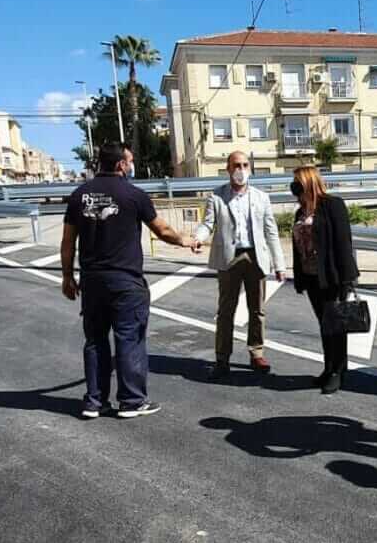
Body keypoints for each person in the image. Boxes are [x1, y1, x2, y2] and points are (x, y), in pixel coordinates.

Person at [61, 142, 194, 418]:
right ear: (121, 164)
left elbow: (67, 242)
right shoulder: (134, 195)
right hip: (126, 281)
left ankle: (94, 402)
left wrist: (67, 276)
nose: (131, 165)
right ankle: (131, 401)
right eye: (130, 161)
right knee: (129, 339)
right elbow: (162, 230)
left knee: (95, 340)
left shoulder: (79, 195)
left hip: (92, 282)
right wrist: (185, 240)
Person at [193, 151, 286, 380]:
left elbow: (271, 232)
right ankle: (222, 358)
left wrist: (279, 264)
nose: (241, 170)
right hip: (229, 258)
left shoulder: (261, 197)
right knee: (226, 311)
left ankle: (257, 353)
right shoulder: (217, 196)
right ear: (228, 169)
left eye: (245, 165)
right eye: (236, 165)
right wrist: (198, 238)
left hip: (256, 257)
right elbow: (208, 224)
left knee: (258, 310)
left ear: (250, 169)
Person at [290, 165, 360, 395]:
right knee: (324, 324)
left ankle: (338, 371)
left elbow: (343, 243)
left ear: (309, 182)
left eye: (298, 182)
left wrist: (347, 279)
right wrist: (298, 278)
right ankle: (329, 366)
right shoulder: (300, 212)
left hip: (331, 277)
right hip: (311, 277)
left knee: (335, 325)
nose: (294, 187)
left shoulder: (332, 205)